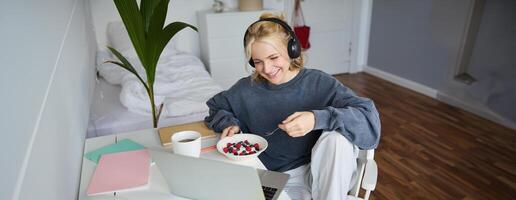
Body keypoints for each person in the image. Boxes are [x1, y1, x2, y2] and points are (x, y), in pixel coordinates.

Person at [204, 13, 381, 200]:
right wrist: (228, 122)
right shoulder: (245, 89)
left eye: (273, 57)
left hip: (322, 174)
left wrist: (317, 119)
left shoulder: (319, 83)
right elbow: (216, 106)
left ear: (292, 49)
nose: (267, 68)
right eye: (258, 62)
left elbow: (369, 118)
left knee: (336, 139)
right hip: (275, 178)